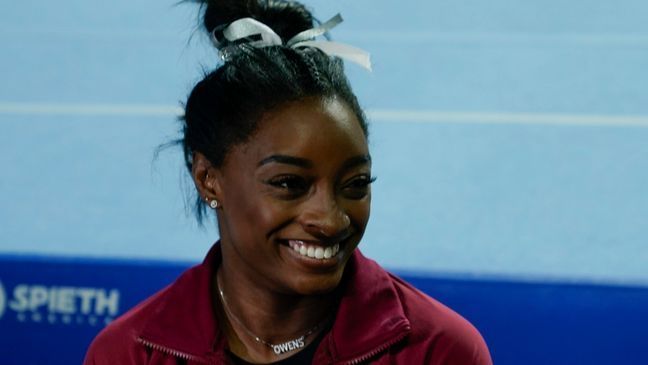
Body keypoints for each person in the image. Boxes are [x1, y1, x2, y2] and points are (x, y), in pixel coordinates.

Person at [84, 0, 492, 364]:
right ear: (209, 180)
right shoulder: (130, 354)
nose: (331, 220)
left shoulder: (440, 351)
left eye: (355, 184)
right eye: (289, 184)